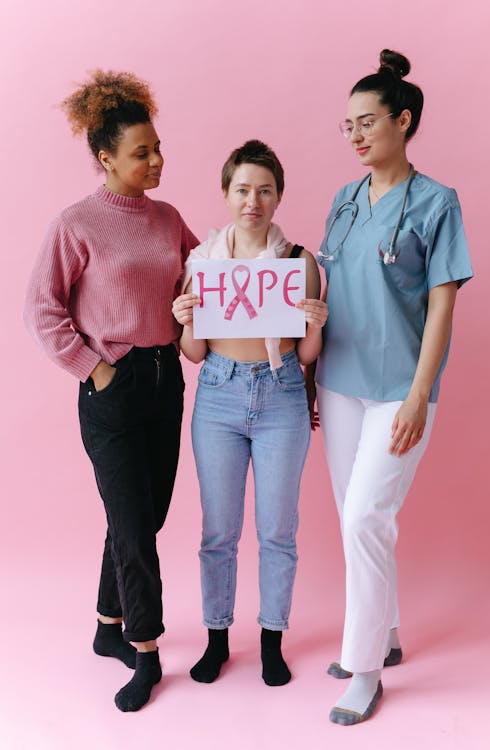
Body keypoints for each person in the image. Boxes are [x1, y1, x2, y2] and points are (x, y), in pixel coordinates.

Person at [24, 70, 198, 712]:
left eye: (158, 149)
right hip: (113, 390)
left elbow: (206, 277)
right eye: (141, 153)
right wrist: (93, 369)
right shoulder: (76, 223)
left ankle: (106, 626)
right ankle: (145, 651)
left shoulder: (169, 217)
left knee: (143, 518)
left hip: (166, 382)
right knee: (134, 528)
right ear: (106, 159)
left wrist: (282, 275)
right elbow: (41, 310)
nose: (156, 161)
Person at [313, 50, 473, 724]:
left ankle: (365, 671)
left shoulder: (437, 202)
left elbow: (442, 304)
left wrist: (418, 393)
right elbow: (327, 292)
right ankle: (392, 632)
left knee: (364, 519)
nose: (354, 135)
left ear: (404, 122)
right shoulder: (344, 201)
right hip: (340, 382)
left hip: (397, 389)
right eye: (347, 124)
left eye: (368, 122)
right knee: (362, 525)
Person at [172, 140, 328, 686]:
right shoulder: (203, 263)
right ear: (225, 193)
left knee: (278, 530)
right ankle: (216, 638)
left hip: (282, 390)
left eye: (264, 190)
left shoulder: (297, 261)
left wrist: (316, 322)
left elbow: (306, 354)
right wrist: (184, 318)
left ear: (279, 196)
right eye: (243, 189)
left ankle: (271, 640)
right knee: (218, 530)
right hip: (218, 392)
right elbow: (194, 353)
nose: (253, 201)